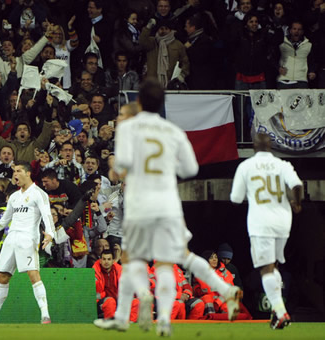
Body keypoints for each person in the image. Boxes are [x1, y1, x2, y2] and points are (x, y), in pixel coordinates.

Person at [94, 78, 241, 337]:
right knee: (169, 261)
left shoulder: (130, 128)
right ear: (162, 104)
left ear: (139, 102)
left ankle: (125, 314)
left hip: (141, 202)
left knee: (131, 259)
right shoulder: (172, 131)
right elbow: (191, 169)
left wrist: (116, 168)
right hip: (168, 202)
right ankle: (164, 318)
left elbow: (122, 167)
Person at [230, 133, 303, 330]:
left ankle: (280, 312)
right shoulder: (282, 165)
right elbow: (297, 185)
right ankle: (276, 313)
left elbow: (236, 198)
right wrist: (296, 202)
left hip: (261, 222)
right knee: (275, 266)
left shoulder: (246, 166)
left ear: (254, 145)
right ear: (271, 145)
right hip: (283, 221)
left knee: (265, 270)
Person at [0, 161, 55, 324]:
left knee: (33, 275)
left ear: (28, 173)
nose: (15, 174)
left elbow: (47, 215)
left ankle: (45, 314)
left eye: (18, 171)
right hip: (10, 240)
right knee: (2, 277)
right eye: (14, 172)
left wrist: (49, 234)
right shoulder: (14, 197)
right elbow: (4, 221)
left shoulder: (38, 193)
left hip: (27, 239)